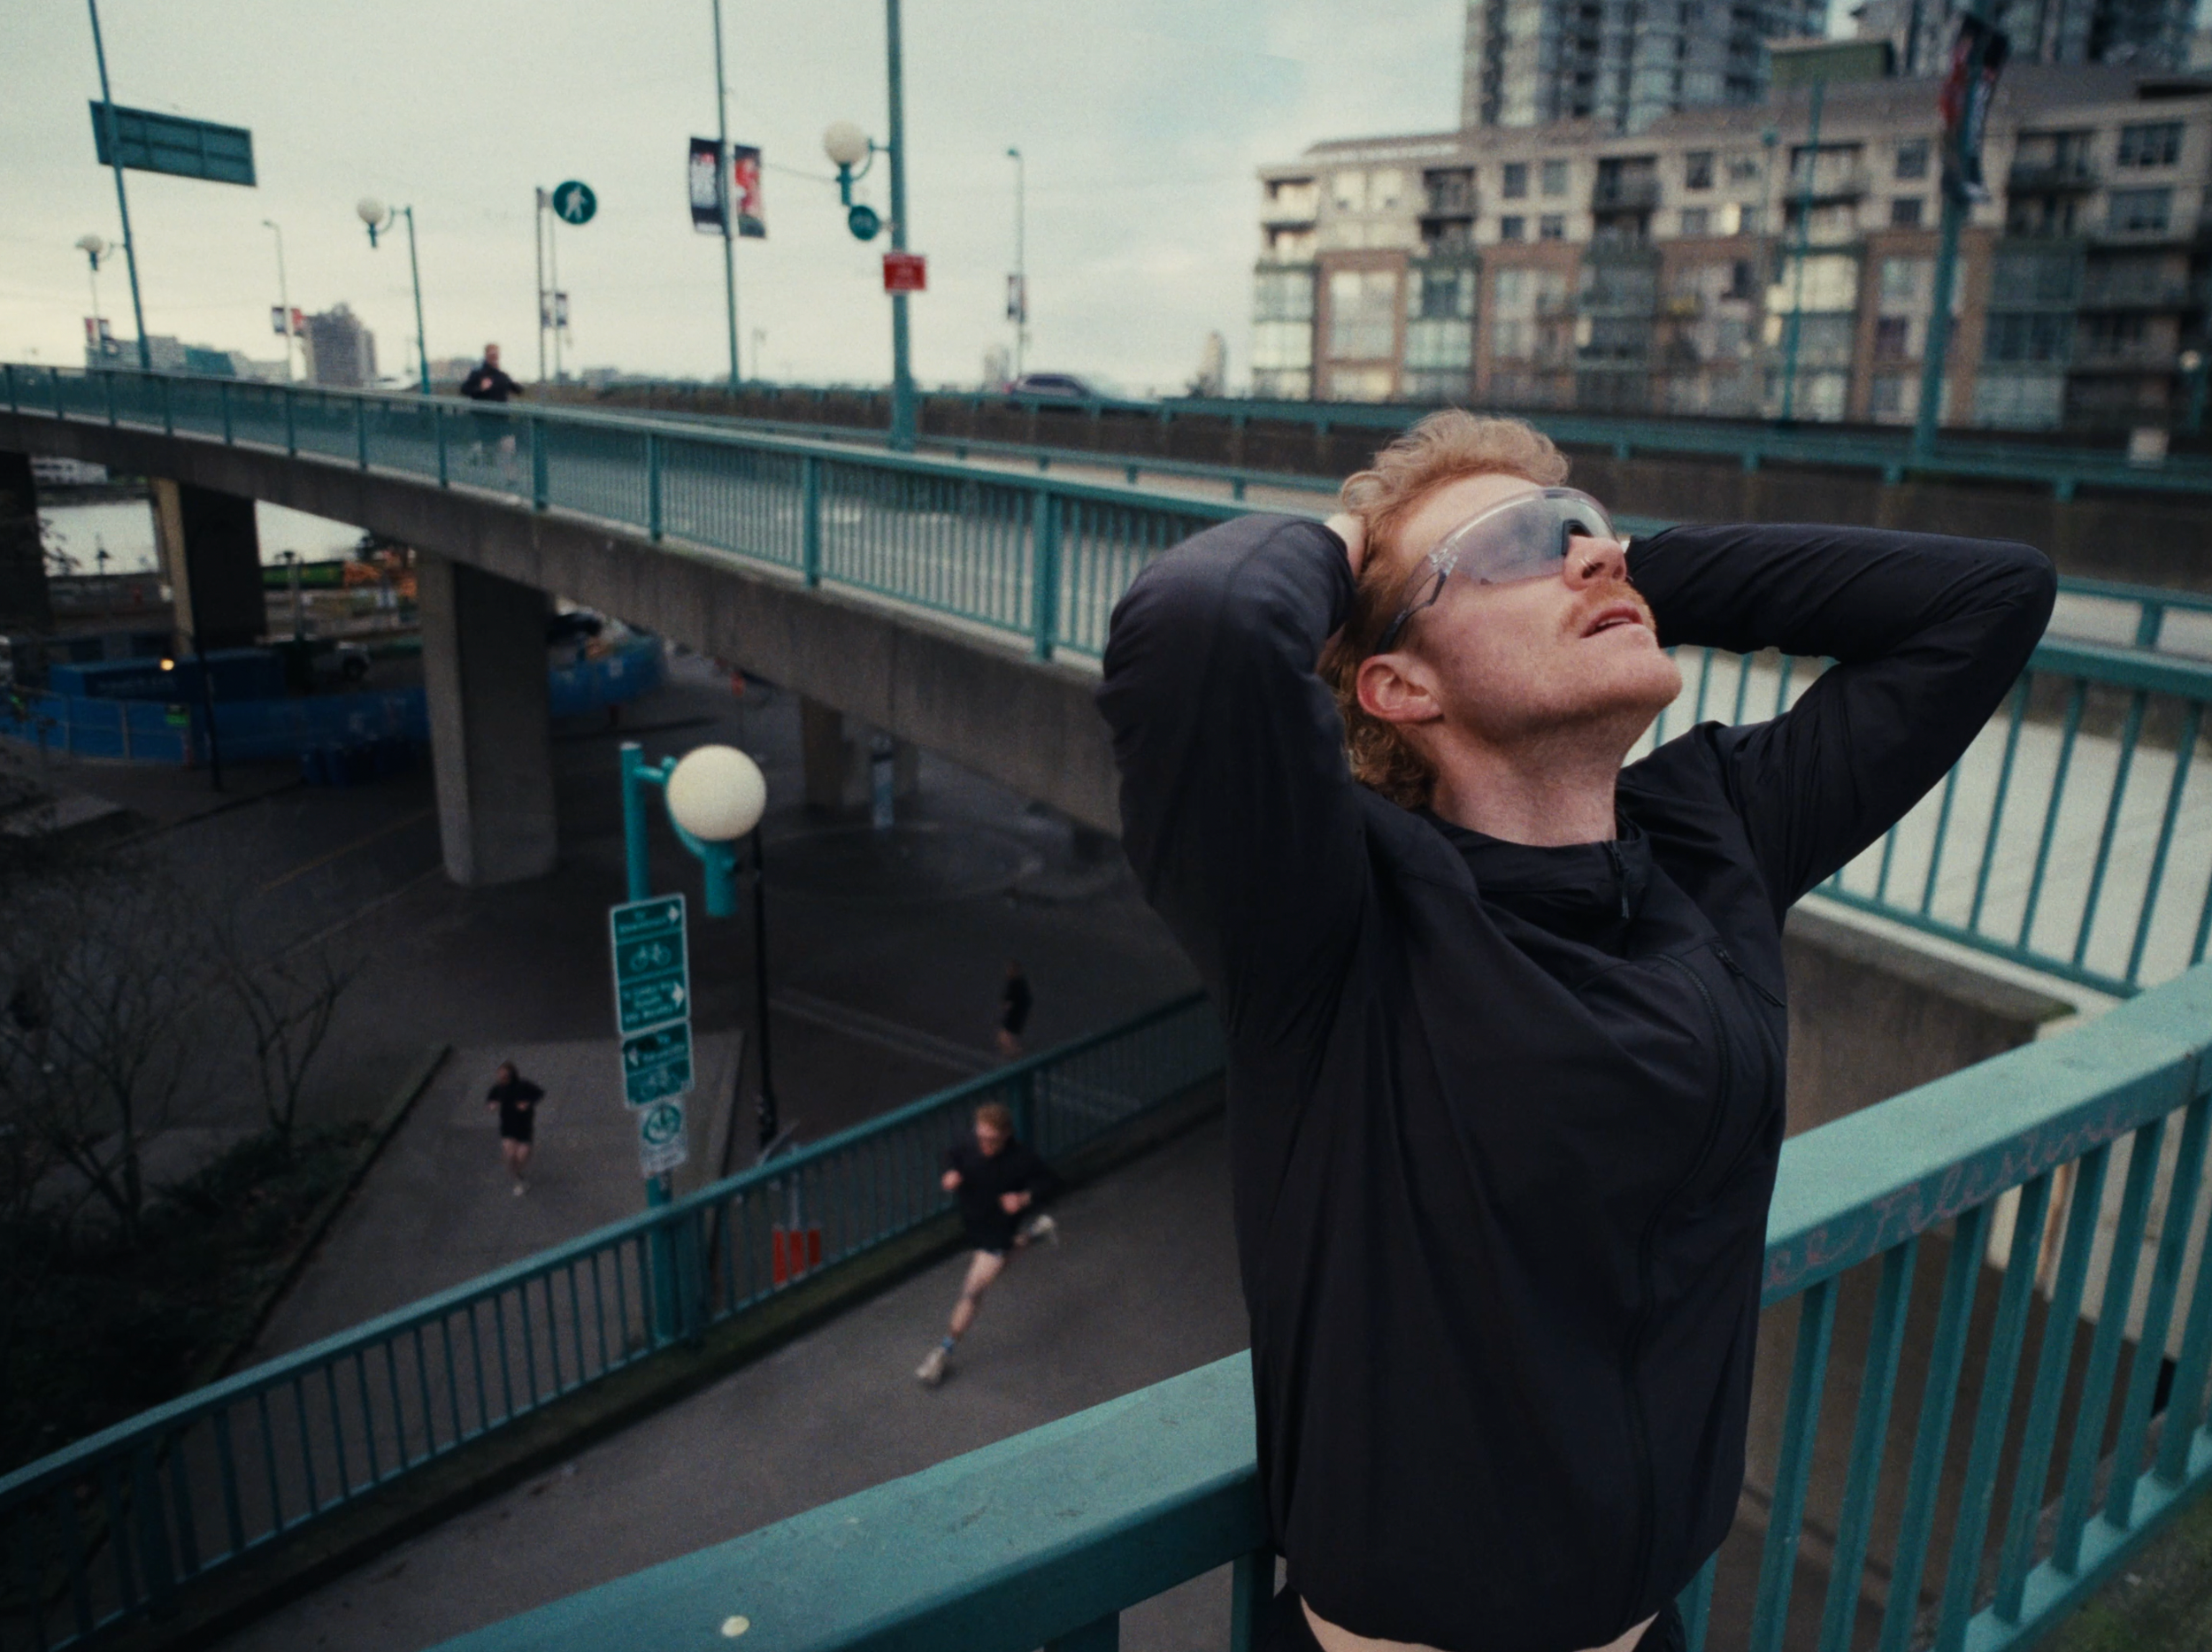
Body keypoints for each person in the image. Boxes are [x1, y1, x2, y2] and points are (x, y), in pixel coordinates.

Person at [1095, 411, 2054, 1652]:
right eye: (1516, 547)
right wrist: (1347, 544)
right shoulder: (1327, 909)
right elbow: (1201, 630)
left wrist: (1626, 572)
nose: (1590, 553)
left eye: (1589, 531)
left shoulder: (1715, 834)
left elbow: (1987, 599)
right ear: (1399, 684)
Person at [916, 1101, 1060, 1387]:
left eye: (991, 1140)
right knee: (999, 1262)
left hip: (998, 1231)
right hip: (973, 1225)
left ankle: (942, 1354)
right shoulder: (968, 1143)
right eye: (980, 1137)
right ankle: (1037, 1233)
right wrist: (950, 1174)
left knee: (972, 1291)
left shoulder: (1021, 1159)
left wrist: (1023, 1198)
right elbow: (951, 1156)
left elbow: (1051, 1182)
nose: (984, 1144)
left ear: (1006, 1135)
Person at [457, 344, 522, 473]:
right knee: (489, 448)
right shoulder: (478, 374)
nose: (495, 357)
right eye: (492, 354)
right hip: (484, 418)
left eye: (496, 354)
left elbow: (516, 389)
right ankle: (478, 457)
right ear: (486, 355)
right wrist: (480, 389)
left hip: (501, 417)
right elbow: (464, 390)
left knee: (508, 444)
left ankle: (510, 474)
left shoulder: (502, 375)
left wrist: (517, 387)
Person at [485, 1062, 544, 1195]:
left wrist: (527, 1103)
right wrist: (492, 1105)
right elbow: (490, 1099)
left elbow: (539, 1093)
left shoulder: (523, 1086)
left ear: (511, 1076)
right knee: (510, 1156)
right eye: (499, 1077)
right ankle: (518, 1179)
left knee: (521, 1156)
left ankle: (519, 1172)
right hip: (508, 1126)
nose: (501, 1080)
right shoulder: (498, 1089)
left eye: (504, 1077)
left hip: (524, 1126)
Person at [997, 961, 1033, 1058]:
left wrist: (1006, 1008)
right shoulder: (1022, 984)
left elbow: (1008, 1003)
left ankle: (1018, 1058)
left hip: (1013, 1017)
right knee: (1007, 1040)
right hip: (1018, 1016)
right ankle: (1016, 1057)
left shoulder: (1014, 985)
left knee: (1005, 1039)